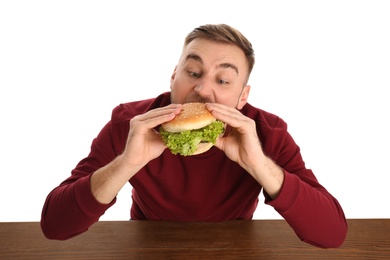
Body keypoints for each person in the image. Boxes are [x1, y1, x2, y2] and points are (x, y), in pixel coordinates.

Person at [40, 24, 347, 248]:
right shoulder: (131, 123)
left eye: (223, 80)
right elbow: (55, 225)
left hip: (235, 247)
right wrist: (125, 164)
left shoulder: (265, 131)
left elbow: (332, 234)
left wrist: (259, 165)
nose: (202, 90)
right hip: (147, 245)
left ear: (242, 97)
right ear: (174, 75)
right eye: (193, 73)